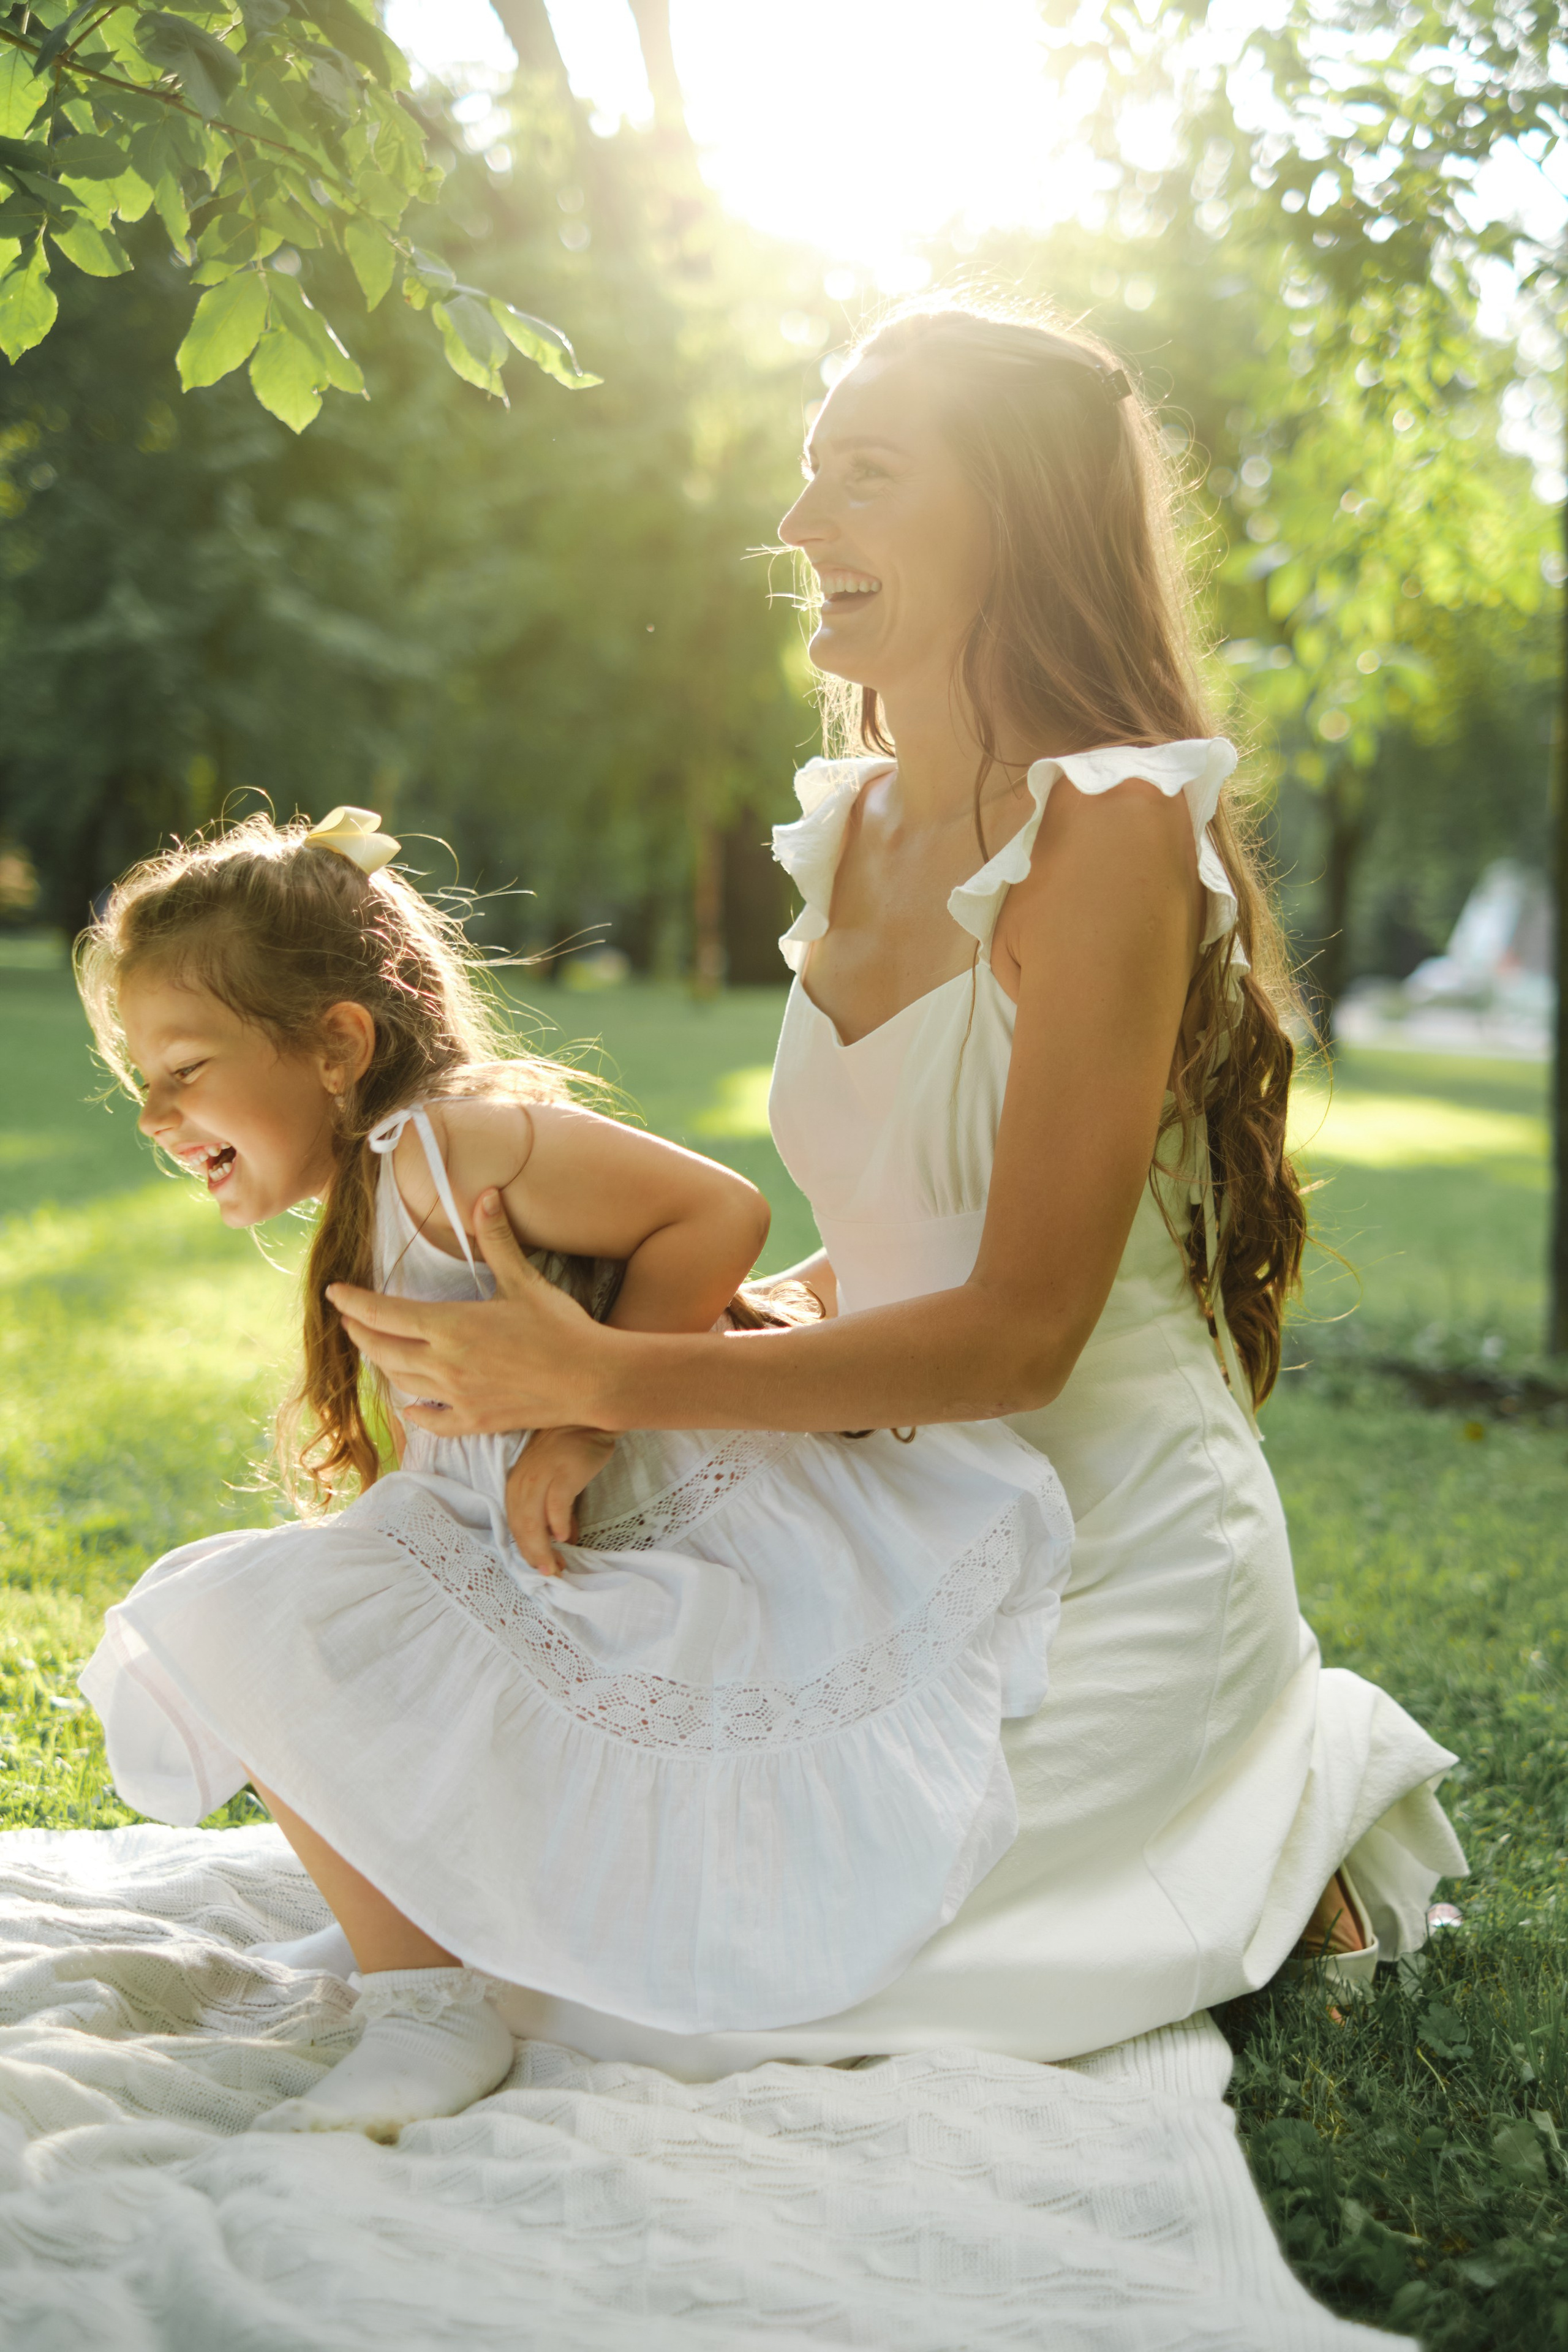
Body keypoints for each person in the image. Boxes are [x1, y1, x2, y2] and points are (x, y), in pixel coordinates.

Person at [328, 304, 1466, 2079]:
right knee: (512, 1831)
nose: (800, 530)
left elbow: (1015, 1336)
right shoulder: (850, 823)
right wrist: (621, 1384)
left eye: (865, 476)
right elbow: (895, 1241)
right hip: (905, 1507)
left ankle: (1261, 1797)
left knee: (673, 2014)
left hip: (1111, 1548)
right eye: (805, 474)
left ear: (1013, 517)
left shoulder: (1106, 836)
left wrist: (610, 1378)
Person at [75, 804, 1073, 2139]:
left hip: (648, 1542)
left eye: (184, 1067)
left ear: (335, 1045)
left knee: (242, 1613)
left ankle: (429, 2008)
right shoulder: (383, 1181)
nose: (154, 1112)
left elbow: (715, 1209)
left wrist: (586, 1421)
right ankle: (418, 1946)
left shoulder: (445, 1149)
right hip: (538, 1548)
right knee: (292, 1611)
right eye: (141, 1079)